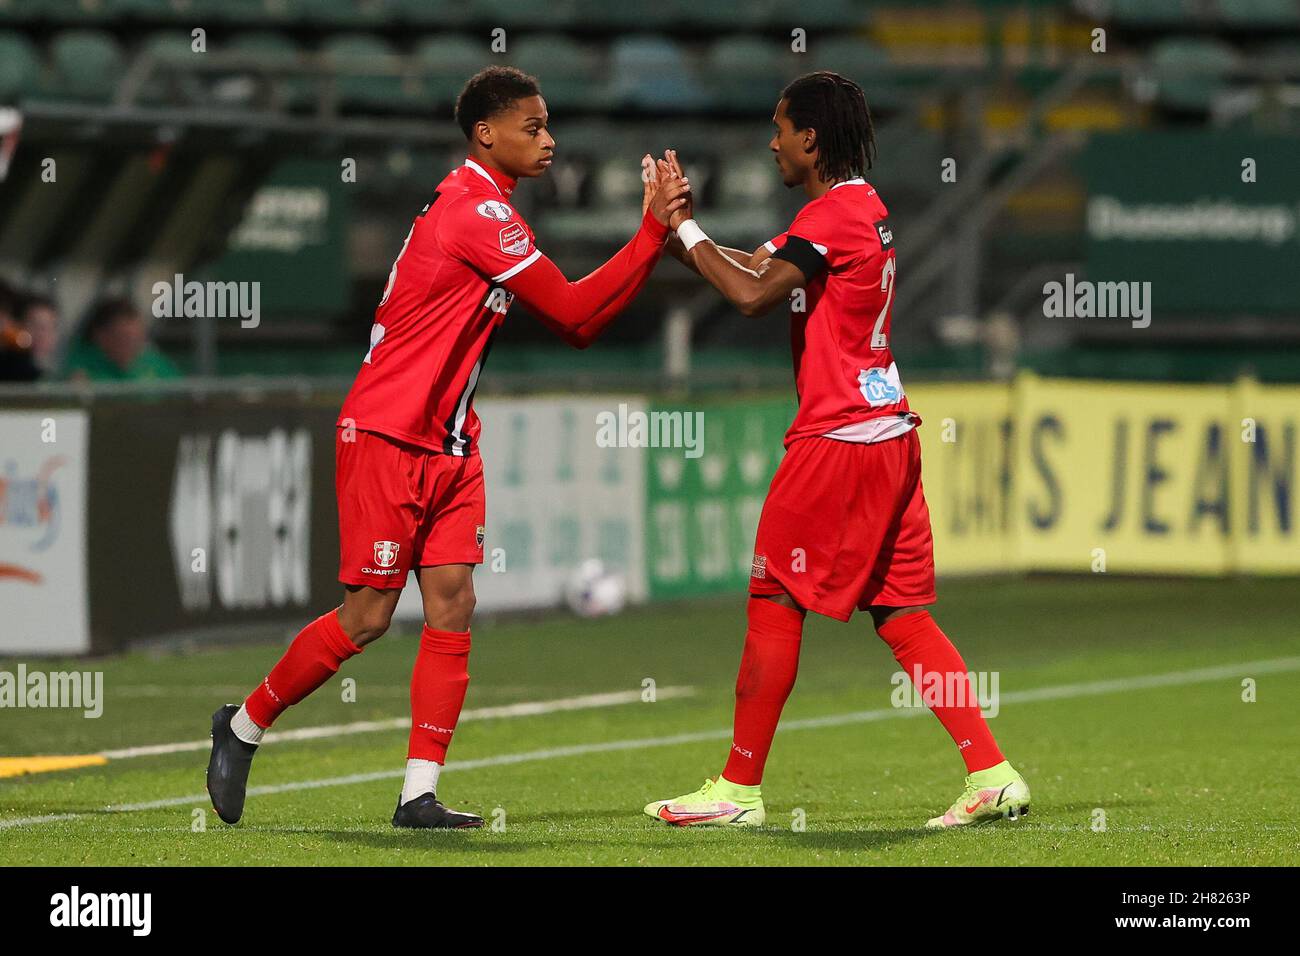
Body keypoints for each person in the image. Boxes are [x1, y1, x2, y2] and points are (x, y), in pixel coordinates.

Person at [206, 66, 690, 829]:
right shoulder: (475, 211)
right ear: (484, 134)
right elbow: (573, 315)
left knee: (454, 603)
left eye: (548, 124)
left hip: (451, 441)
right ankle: (242, 727)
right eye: (532, 127)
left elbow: (572, 319)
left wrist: (652, 237)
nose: (549, 139)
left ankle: (417, 794)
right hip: (388, 432)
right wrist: (652, 233)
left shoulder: (491, 209)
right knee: (366, 617)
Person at [643, 71, 1030, 829]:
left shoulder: (832, 217)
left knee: (772, 596)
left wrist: (680, 232)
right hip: (888, 434)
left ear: (810, 139)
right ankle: (991, 772)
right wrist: (678, 228)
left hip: (840, 440)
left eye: (780, 129)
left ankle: (738, 790)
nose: (772, 142)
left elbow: (753, 297)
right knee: (902, 615)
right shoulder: (860, 209)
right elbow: (752, 273)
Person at [64, 297, 180, 381]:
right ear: (101, 336)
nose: (134, 346)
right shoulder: (80, 369)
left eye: (139, 338)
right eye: (125, 338)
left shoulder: (157, 365)